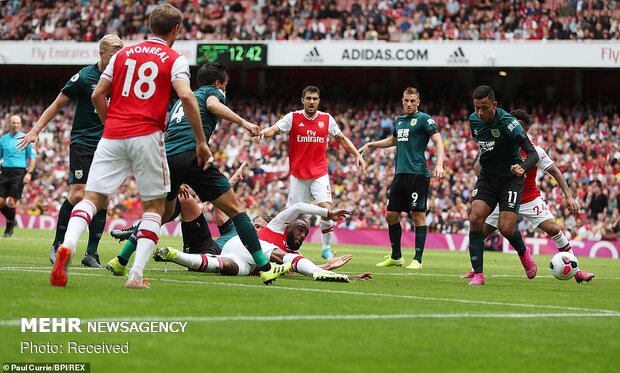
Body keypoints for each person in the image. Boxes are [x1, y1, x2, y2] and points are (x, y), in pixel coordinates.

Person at [50, 4, 211, 289]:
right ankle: (136, 276)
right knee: (154, 208)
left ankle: (68, 246)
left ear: (150, 26)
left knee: (91, 198)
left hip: (112, 135)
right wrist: (200, 141)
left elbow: (99, 93)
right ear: (176, 30)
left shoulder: (122, 54)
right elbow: (186, 97)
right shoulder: (175, 59)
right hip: (147, 135)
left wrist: (109, 121)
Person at [106, 62, 289, 285]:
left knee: (159, 216)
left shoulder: (181, 101)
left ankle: (121, 259)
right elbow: (212, 105)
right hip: (192, 156)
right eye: (226, 85)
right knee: (237, 210)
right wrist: (244, 122)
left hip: (166, 159)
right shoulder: (212, 92)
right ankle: (265, 267)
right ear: (218, 83)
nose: (225, 89)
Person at [18, 35, 124, 268]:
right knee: (78, 194)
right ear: (101, 54)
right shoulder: (85, 77)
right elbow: (57, 104)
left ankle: (91, 254)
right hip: (84, 142)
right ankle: (58, 245)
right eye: (113, 55)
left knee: (104, 199)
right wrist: (35, 130)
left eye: (120, 55)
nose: (117, 60)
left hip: (109, 144)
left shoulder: (124, 79)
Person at [463, 109, 594, 283]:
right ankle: (476, 269)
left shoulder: (535, 150)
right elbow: (478, 166)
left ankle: (576, 271)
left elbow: (555, 171)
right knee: (481, 231)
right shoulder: (498, 144)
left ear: (524, 130)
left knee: (554, 228)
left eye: (519, 127)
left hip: (528, 198)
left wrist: (569, 197)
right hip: (502, 198)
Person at [259, 85, 366, 261]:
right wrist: (263, 134)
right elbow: (274, 129)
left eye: (315, 99)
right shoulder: (293, 118)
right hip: (298, 176)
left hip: (319, 174)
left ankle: (326, 248)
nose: (311, 101)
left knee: (327, 210)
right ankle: (285, 248)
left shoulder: (326, 119)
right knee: (292, 217)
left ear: (318, 101)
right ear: (303, 100)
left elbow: (341, 139)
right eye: (308, 98)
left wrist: (357, 155)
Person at [153, 201, 373, 283]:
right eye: (299, 229)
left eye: (305, 234)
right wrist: (327, 212)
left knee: (221, 267)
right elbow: (297, 207)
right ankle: (320, 275)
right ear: (288, 226)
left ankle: (173, 255)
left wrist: (343, 274)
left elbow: (292, 270)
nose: (302, 235)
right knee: (286, 257)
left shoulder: (289, 253)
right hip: (242, 245)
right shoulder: (276, 226)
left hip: (245, 263)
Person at [359, 87, 445, 269]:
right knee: (390, 215)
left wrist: (439, 164)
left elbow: (438, 140)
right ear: (402, 100)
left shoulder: (424, 119)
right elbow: (393, 140)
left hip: (418, 174)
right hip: (400, 174)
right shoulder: (399, 121)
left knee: (417, 215)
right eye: (406, 100)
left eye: (413, 101)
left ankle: (418, 259)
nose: (409, 104)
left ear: (418, 102)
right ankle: (396, 256)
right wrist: (370, 144)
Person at [465, 85, 539, 286]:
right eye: (476, 107)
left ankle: (524, 253)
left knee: (505, 228)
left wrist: (522, 168)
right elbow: (485, 147)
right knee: (475, 216)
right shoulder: (473, 120)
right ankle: (479, 274)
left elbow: (533, 154)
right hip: (488, 177)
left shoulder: (509, 123)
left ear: (494, 105)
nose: (480, 112)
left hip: (511, 179)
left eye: (484, 108)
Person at [0, 115, 37, 237]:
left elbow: (32, 158)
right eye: (13, 122)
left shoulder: (26, 138)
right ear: (9, 124)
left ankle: (8, 229)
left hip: (19, 172)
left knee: (11, 202)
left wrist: (29, 173)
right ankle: (13, 220)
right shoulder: (3, 140)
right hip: (5, 171)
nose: (15, 124)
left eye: (17, 123)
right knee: (0, 201)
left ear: (21, 124)